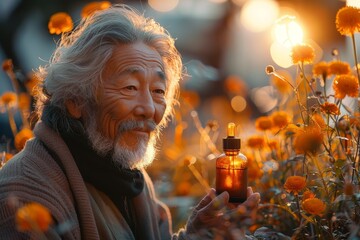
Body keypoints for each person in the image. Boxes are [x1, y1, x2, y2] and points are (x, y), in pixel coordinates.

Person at [0, 4, 260, 239]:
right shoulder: (25, 201)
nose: (148, 109)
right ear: (75, 101)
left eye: (158, 92)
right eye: (130, 88)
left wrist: (200, 233)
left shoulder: (126, 176)